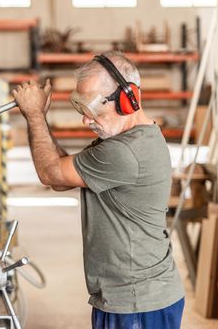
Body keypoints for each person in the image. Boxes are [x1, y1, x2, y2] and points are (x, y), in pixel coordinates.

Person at [11, 51, 185, 329]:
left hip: (137, 304)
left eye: (95, 111)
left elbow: (49, 173)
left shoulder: (125, 152)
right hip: (124, 297)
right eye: (83, 112)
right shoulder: (124, 140)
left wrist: (33, 116)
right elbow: (61, 178)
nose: (86, 121)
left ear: (130, 99)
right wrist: (40, 117)